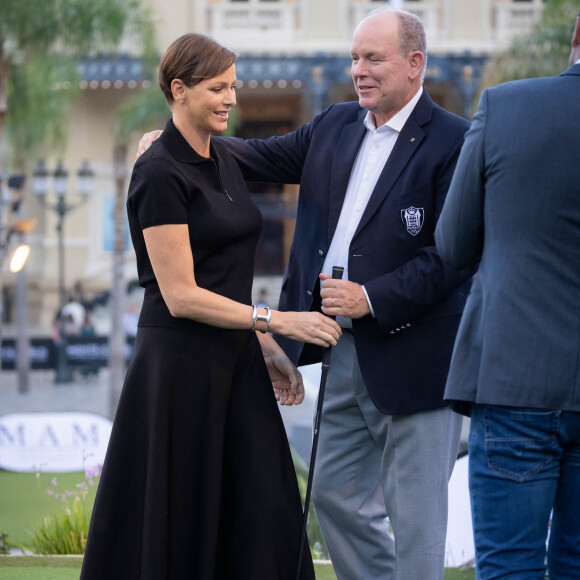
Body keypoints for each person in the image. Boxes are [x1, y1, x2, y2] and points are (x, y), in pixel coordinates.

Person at [139, 9, 473, 579]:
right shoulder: (336, 124)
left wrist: (371, 297)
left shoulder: (454, 141)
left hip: (417, 358)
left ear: (415, 64)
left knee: (418, 520)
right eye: (354, 58)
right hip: (336, 348)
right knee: (336, 496)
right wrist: (175, 143)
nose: (358, 70)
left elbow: (453, 256)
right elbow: (257, 156)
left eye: (373, 59)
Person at [80, 33, 341, 580]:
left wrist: (265, 345)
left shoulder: (225, 157)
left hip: (237, 359)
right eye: (218, 88)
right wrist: (275, 319)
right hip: (179, 369)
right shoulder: (157, 172)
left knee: (266, 509)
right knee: (183, 521)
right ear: (179, 89)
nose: (232, 100)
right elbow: (180, 296)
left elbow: (226, 278)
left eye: (235, 87)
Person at [434, 13, 580, 580]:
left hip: (513, 374)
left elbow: (450, 243)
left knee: (510, 569)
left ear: (573, 38)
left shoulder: (505, 106)